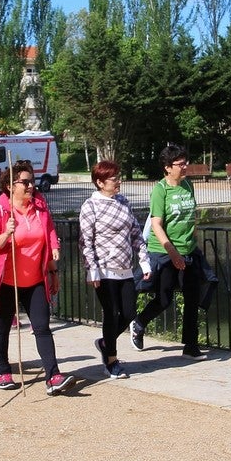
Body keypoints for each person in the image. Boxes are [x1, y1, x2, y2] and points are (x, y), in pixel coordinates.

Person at [0, 159, 75, 395]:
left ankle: (53, 376)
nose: (32, 186)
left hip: (35, 281)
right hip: (7, 282)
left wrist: (53, 253)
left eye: (33, 182)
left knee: (42, 328)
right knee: (1, 328)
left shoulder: (39, 205)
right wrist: (6, 234)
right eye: (26, 182)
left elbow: (49, 228)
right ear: (11, 186)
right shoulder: (0, 211)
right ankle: (2, 370)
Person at [129, 143, 208, 359]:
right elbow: (156, 224)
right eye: (180, 164)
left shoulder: (188, 185)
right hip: (165, 252)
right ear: (167, 167)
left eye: (186, 162)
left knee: (192, 297)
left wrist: (193, 237)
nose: (185, 167)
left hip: (188, 251)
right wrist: (172, 252)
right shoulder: (160, 190)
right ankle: (138, 323)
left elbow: (192, 215)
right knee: (164, 299)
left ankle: (190, 346)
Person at [79, 160, 151, 379]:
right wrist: (91, 270)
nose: (118, 181)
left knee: (128, 312)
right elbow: (85, 241)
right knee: (111, 313)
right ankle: (111, 360)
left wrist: (144, 260)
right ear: (100, 182)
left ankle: (104, 341)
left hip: (125, 267)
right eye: (114, 178)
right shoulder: (90, 206)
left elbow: (136, 233)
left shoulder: (122, 201)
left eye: (118, 177)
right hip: (103, 269)